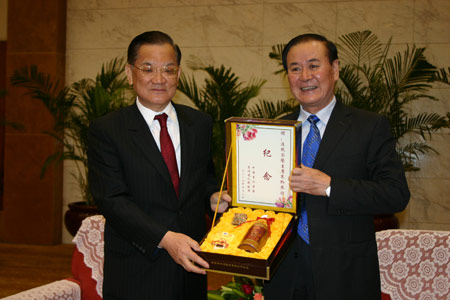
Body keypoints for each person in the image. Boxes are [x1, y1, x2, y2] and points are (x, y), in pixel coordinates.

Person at [212, 33, 410, 300]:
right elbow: (261, 199)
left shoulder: (369, 127)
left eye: (314, 66)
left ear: (335, 69)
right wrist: (230, 202)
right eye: (295, 68)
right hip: (283, 272)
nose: (304, 76)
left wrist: (330, 186)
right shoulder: (270, 131)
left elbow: (395, 194)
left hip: (345, 272)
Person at [87, 31, 224, 300]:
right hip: (137, 268)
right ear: (130, 73)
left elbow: (204, 175)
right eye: (148, 69)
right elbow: (111, 199)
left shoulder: (199, 123)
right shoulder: (108, 129)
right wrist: (165, 238)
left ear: (179, 74)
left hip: (190, 267)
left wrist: (212, 194)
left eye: (168, 70)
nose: (159, 79)